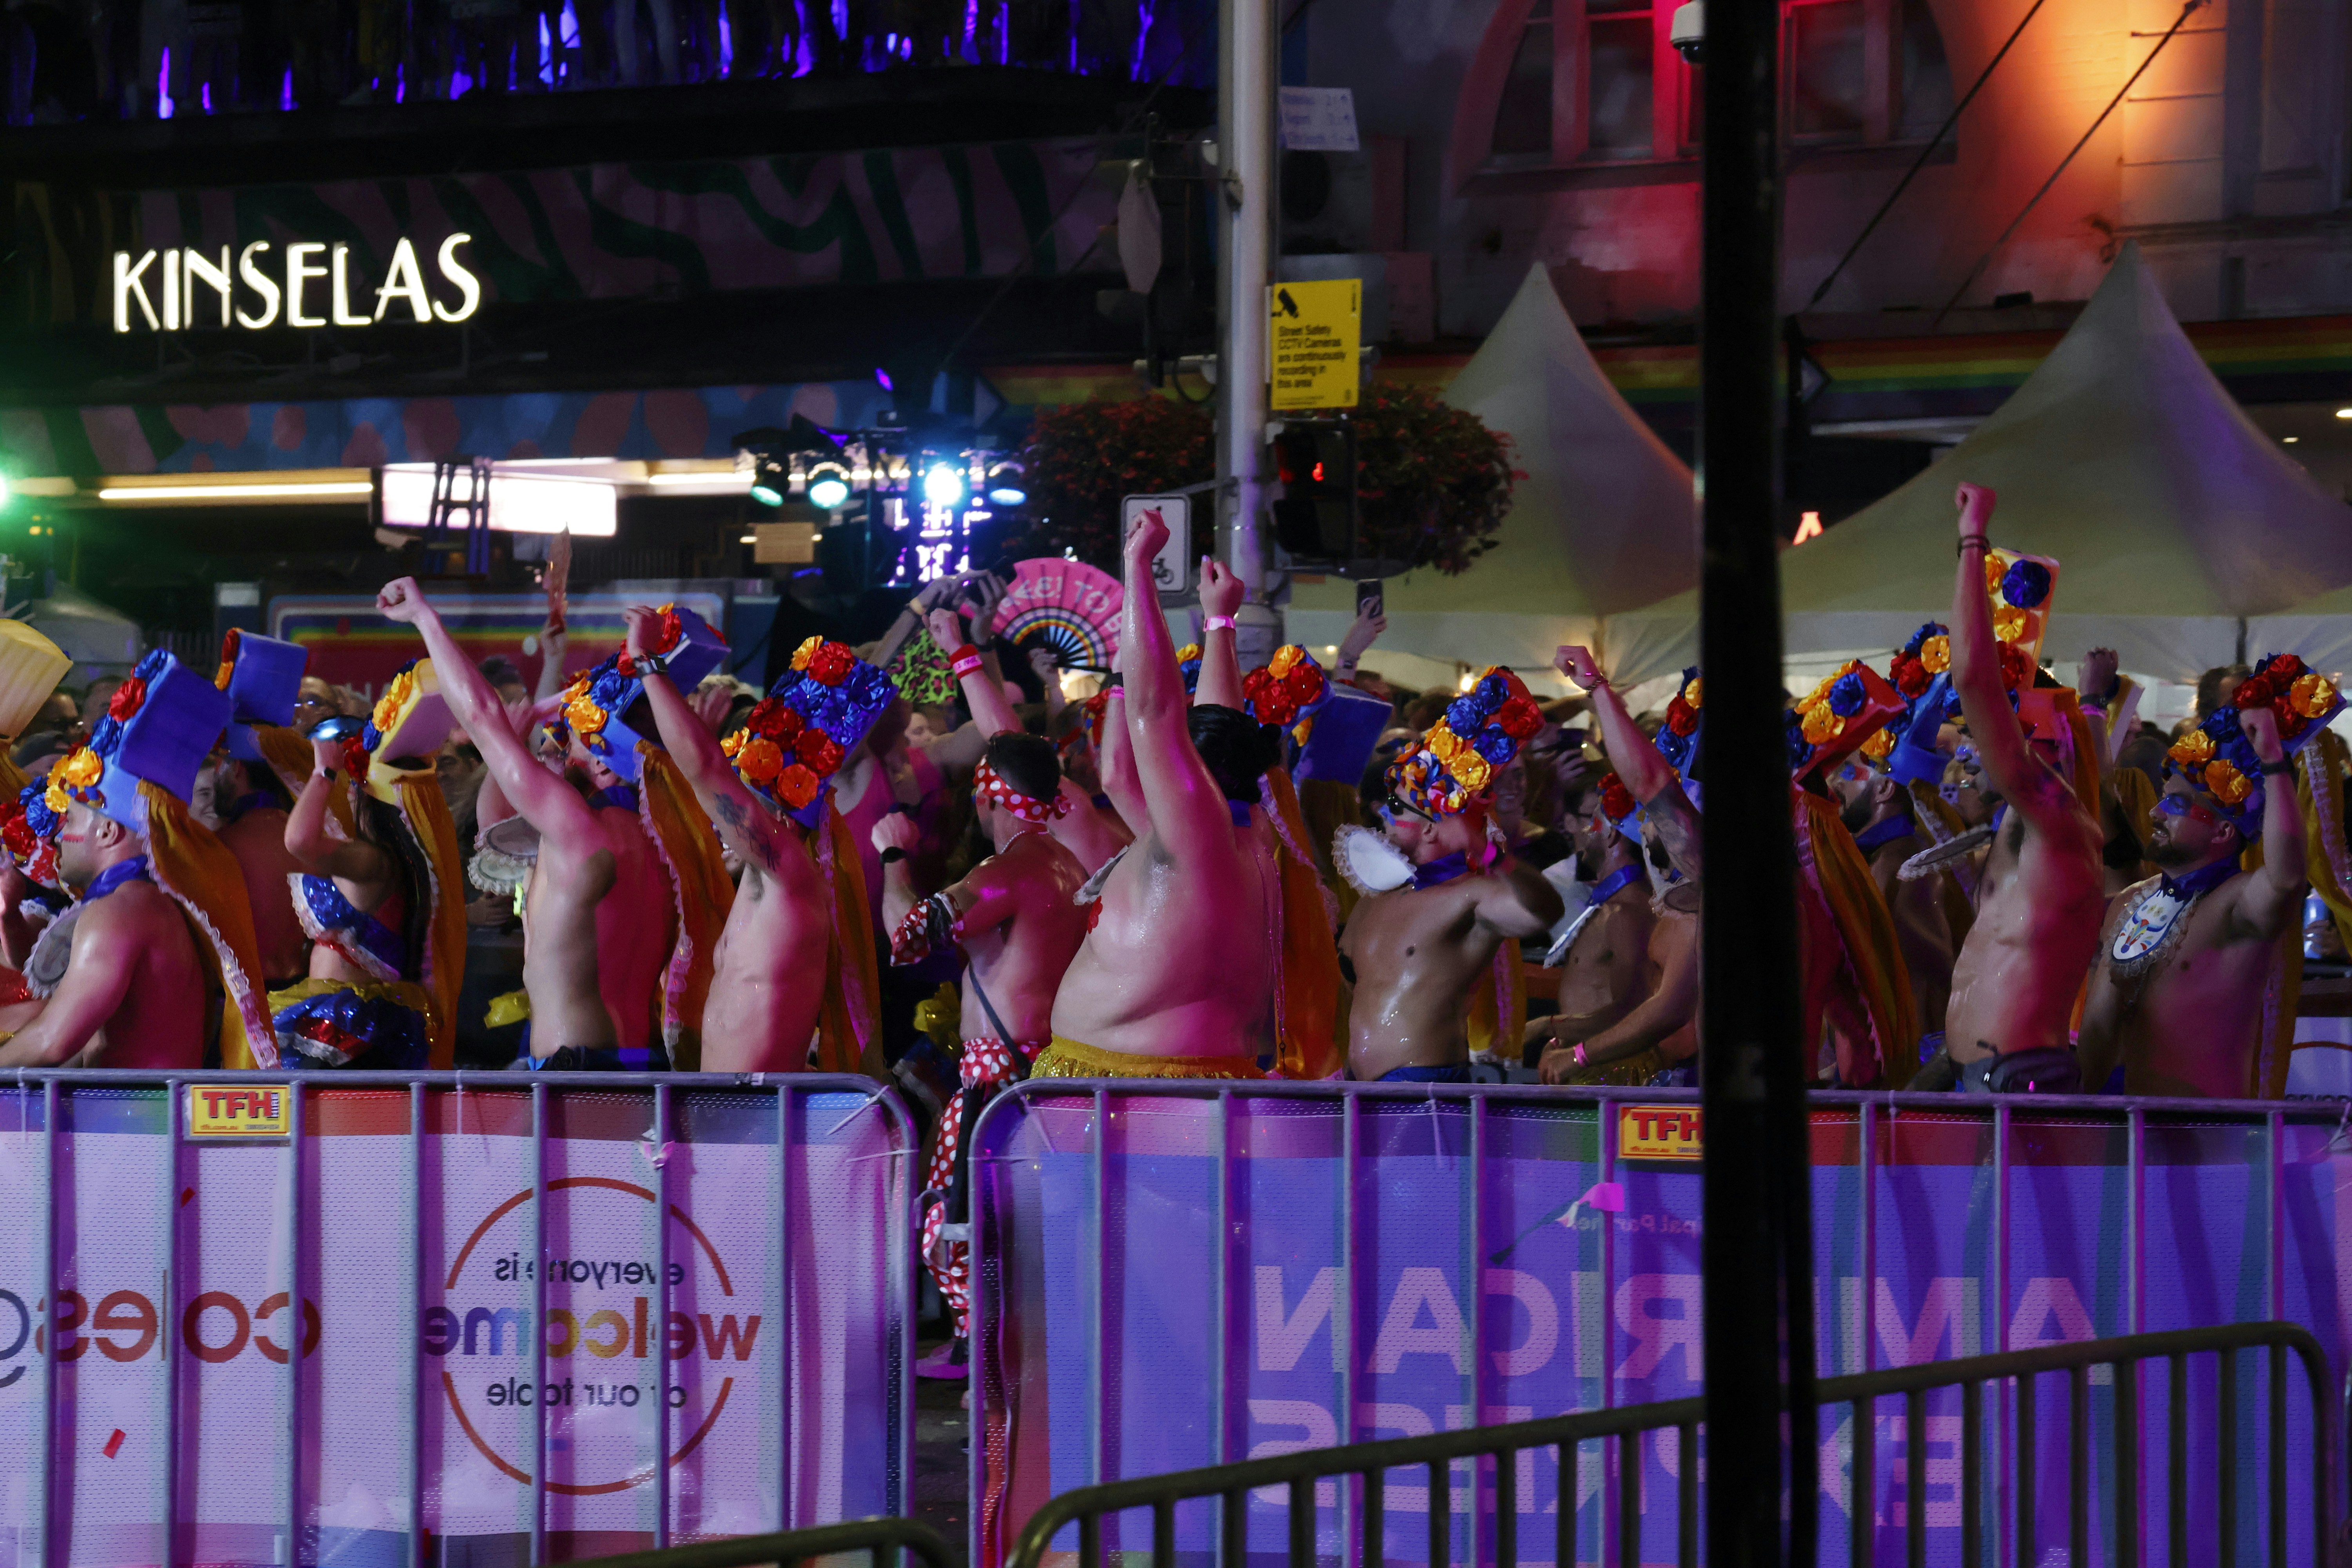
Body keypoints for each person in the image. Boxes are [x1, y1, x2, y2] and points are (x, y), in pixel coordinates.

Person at [882, 611, 1089, 1358]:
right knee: (1029, 1228)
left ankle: (990, 1370)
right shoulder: (1068, 861)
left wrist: (892, 861)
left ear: (991, 796)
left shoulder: (1004, 873)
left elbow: (908, 941)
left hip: (995, 1079)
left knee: (956, 1226)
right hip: (1051, 1065)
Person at [376, 577, 679, 1066]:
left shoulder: (578, 831)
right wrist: (516, 751)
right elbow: (496, 828)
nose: (555, 745)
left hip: (578, 1065)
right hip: (645, 1058)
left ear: (601, 758)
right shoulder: (666, 833)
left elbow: (479, 715)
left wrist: (424, 619)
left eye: (571, 737)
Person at [1041, 509, 1284, 1077]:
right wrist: (1219, 624)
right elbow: (1217, 728)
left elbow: (1159, 712)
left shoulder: (1197, 835)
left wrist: (1138, 566)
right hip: (1159, 1087)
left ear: (1195, 775)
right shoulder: (1247, 835)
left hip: (1134, 1102)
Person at [635, 609, 886, 1075]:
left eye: (743, 796)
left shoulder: (789, 875)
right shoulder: (764, 879)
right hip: (730, 1112)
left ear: (779, 813)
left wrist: (648, 664)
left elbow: (704, 769)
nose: (720, 824)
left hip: (759, 1122)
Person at [0, 653, 276, 1069]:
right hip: (133, 1117)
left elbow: (53, 1040)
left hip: (131, 1124)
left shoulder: (121, 910)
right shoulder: (142, 902)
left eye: (71, 818)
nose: (58, 833)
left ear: (108, 831)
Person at [2077, 659, 2334, 1097]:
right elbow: (2098, 1030)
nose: (2155, 813)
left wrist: (2273, 762)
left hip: (2212, 1137)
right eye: (2162, 800)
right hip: (2129, 1135)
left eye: (2175, 806)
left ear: (2222, 830)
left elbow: (2287, 878)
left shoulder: (2238, 904)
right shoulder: (2128, 903)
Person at [1928, 483, 2106, 1093]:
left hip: (2018, 1085)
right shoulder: (2015, 828)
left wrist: (1973, 534)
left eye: (2009, 726)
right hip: (1972, 1079)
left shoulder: (2060, 821)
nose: (1982, 746)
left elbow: (1976, 680)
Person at [1335, 668, 1563, 1082]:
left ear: (1430, 827)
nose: (1385, 815)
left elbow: (1544, 910)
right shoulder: (1378, 895)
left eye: (1397, 807)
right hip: (1358, 1091)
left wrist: (1486, 852)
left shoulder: (1471, 895)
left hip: (1427, 1093)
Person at [1523, 768, 1655, 1065]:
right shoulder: (1612, 907)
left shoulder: (1626, 914)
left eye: (1593, 823)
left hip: (1611, 1075)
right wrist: (1563, 1042)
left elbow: (1631, 1009)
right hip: (1589, 1067)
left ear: (1611, 835)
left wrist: (1550, 1027)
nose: (1585, 832)